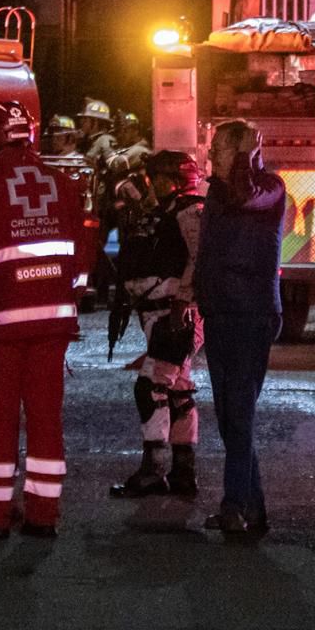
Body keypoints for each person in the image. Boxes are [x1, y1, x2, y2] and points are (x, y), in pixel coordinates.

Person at [0, 101, 88, 540]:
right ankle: (43, 516)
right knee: (47, 419)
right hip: (53, 325)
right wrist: (63, 298)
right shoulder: (63, 185)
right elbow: (81, 261)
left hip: (0, 328)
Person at [193, 120, 286, 536]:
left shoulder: (270, 188)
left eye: (219, 147)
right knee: (230, 415)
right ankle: (253, 507)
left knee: (240, 413)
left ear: (245, 151)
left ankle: (234, 505)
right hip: (220, 311)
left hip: (251, 314)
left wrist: (246, 157)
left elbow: (244, 196)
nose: (211, 153)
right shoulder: (216, 191)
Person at [109, 150, 204, 498]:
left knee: (150, 386)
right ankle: (183, 471)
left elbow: (198, 258)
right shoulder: (165, 210)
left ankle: (155, 469)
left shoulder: (191, 210)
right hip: (162, 313)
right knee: (178, 390)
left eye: (160, 177)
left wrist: (183, 301)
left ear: (178, 179)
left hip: (176, 314)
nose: (154, 183)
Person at [79, 99, 115, 164]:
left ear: (95, 121)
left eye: (85, 119)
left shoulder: (105, 140)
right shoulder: (88, 141)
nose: (81, 122)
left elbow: (113, 164)